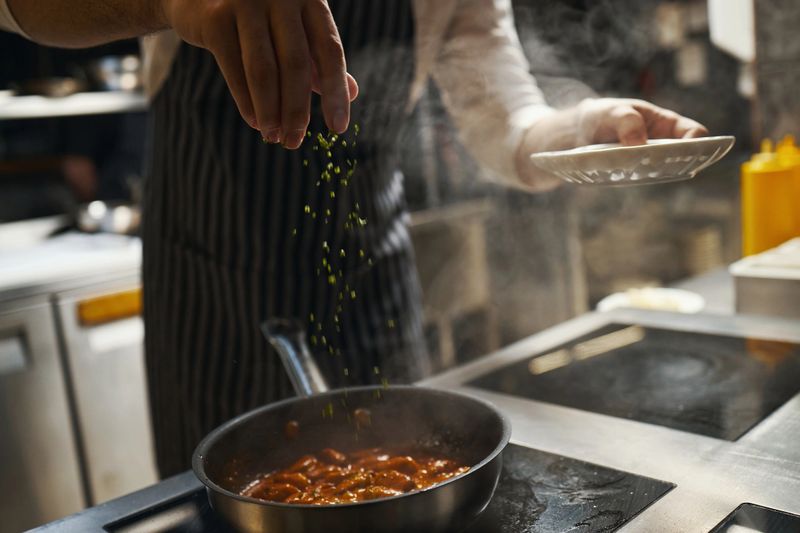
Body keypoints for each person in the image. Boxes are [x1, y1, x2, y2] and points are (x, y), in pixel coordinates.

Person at [1, 0, 707, 477]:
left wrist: (585, 128)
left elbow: (505, 119)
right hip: (213, 267)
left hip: (373, 275)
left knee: (405, 482)